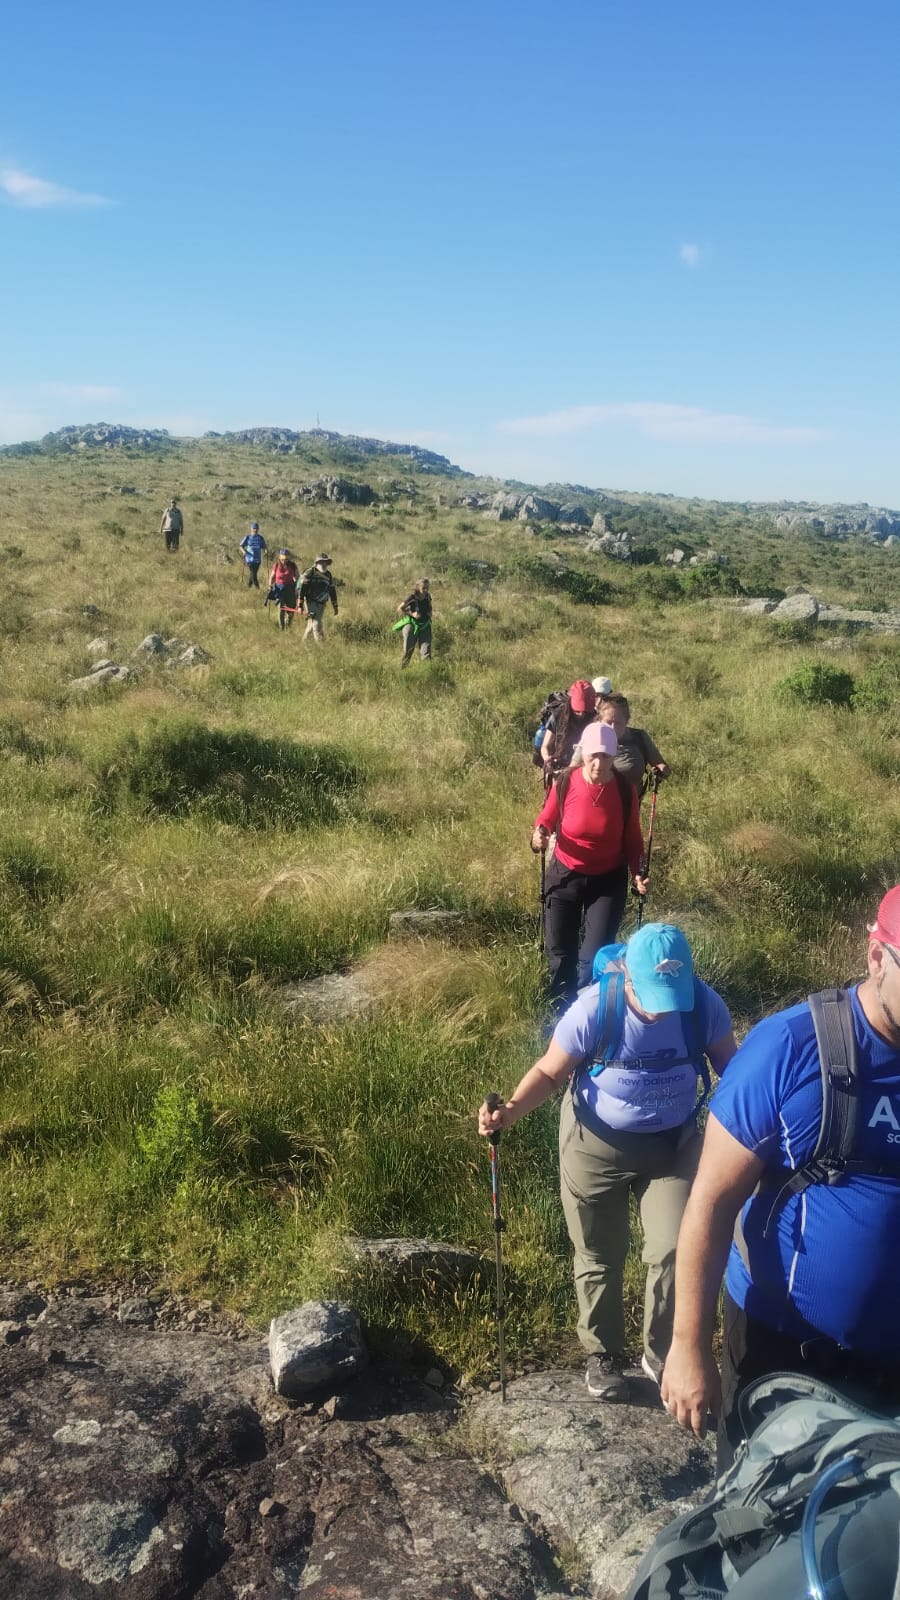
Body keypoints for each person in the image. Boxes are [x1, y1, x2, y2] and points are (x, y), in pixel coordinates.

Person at [662, 884, 900, 1466]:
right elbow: (712, 1200)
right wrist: (688, 1344)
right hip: (784, 1353)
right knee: (763, 1511)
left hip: (891, 1369)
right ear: (877, 957)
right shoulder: (791, 1048)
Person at [478, 923, 736, 1401]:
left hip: (673, 1147)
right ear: (627, 977)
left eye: (671, 997)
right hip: (593, 1145)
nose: (662, 1010)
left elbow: (734, 1075)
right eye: (653, 997)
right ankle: (603, 1354)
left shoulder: (702, 1006)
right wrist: (509, 1112)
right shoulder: (596, 1009)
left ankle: (664, 1353)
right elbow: (550, 1072)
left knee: (675, 1248)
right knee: (599, 1254)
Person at [533, 722, 648, 1009]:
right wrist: (540, 834)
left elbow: (633, 839)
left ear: (614, 755)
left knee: (595, 955)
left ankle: (587, 1011)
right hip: (564, 875)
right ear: (582, 752)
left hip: (607, 881)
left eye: (606, 756)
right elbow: (546, 818)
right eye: (593, 755)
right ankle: (560, 1011)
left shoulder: (624, 791)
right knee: (560, 952)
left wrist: (638, 873)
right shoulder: (565, 781)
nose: (598, 763)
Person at [598, 694, 670, 793]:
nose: (613, 728)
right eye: (608, 722)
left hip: (631, 800)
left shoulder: (639, 737)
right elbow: (576, 769)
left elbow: (660, 765)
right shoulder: (591, 738)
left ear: (626, 720)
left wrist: (661, 771)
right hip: (598, 800)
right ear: (600, 720)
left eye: (618, 723)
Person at [540, 680, 597, 778]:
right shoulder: (558, 716)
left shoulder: (595, 718)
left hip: (583, 766)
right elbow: (545, 746)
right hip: (560, 763)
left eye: (585, 711)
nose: (581, 714)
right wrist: (548, 760)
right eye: (577, 711)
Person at [299, 553, 339, 643]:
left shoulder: (328, 574)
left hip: (322, 604)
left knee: (311, 625)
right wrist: (300, 605)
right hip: (310, 602)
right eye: (322, 562)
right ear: (317, 563)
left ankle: (303, 644)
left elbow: (332, 591)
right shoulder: (310, 572)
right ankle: (322, 646)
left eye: (326, 562)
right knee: (317, 623)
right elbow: (303, 589)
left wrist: (335, 606)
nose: (324, 564)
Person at [397, 578, 432, 666]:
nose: (426, 590)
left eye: (427, 588)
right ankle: (403, 669)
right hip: (411, 625)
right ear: (418, 587)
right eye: (424, 588)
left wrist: (430, 612)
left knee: (426, 652)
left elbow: (429, 606)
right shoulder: (412, 597)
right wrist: (412, 614)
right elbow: (399, 609)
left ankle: (427, 671)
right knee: (408, 651)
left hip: (425, 625)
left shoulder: (428, 596)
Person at [268, 548, 300, 629]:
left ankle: (288, 625)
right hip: (279, 590)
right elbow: (272, 577)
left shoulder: (292, 565)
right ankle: (281, 628)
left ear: (288, 558)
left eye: (286, 559)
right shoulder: (276, 565)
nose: (284, 561)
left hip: (290, 589)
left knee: (291, 609)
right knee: (281, 609)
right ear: (279, 558)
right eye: (282, 559)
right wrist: (270, 586)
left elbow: (298, 576)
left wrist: (296, 583)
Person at [239, 521, 267, 589]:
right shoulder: (247, 537)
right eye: (254, 528)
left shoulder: (260, 538)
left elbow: (264, 546)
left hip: (258, 559)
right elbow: (241, 546)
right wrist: (244, 552)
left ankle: (248, 587)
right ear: (251, 529)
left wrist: (266, 551)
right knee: (254, 574)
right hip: (249, 559)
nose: (255, 530)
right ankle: (258, 589)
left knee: (253, 574)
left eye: (256, 528)